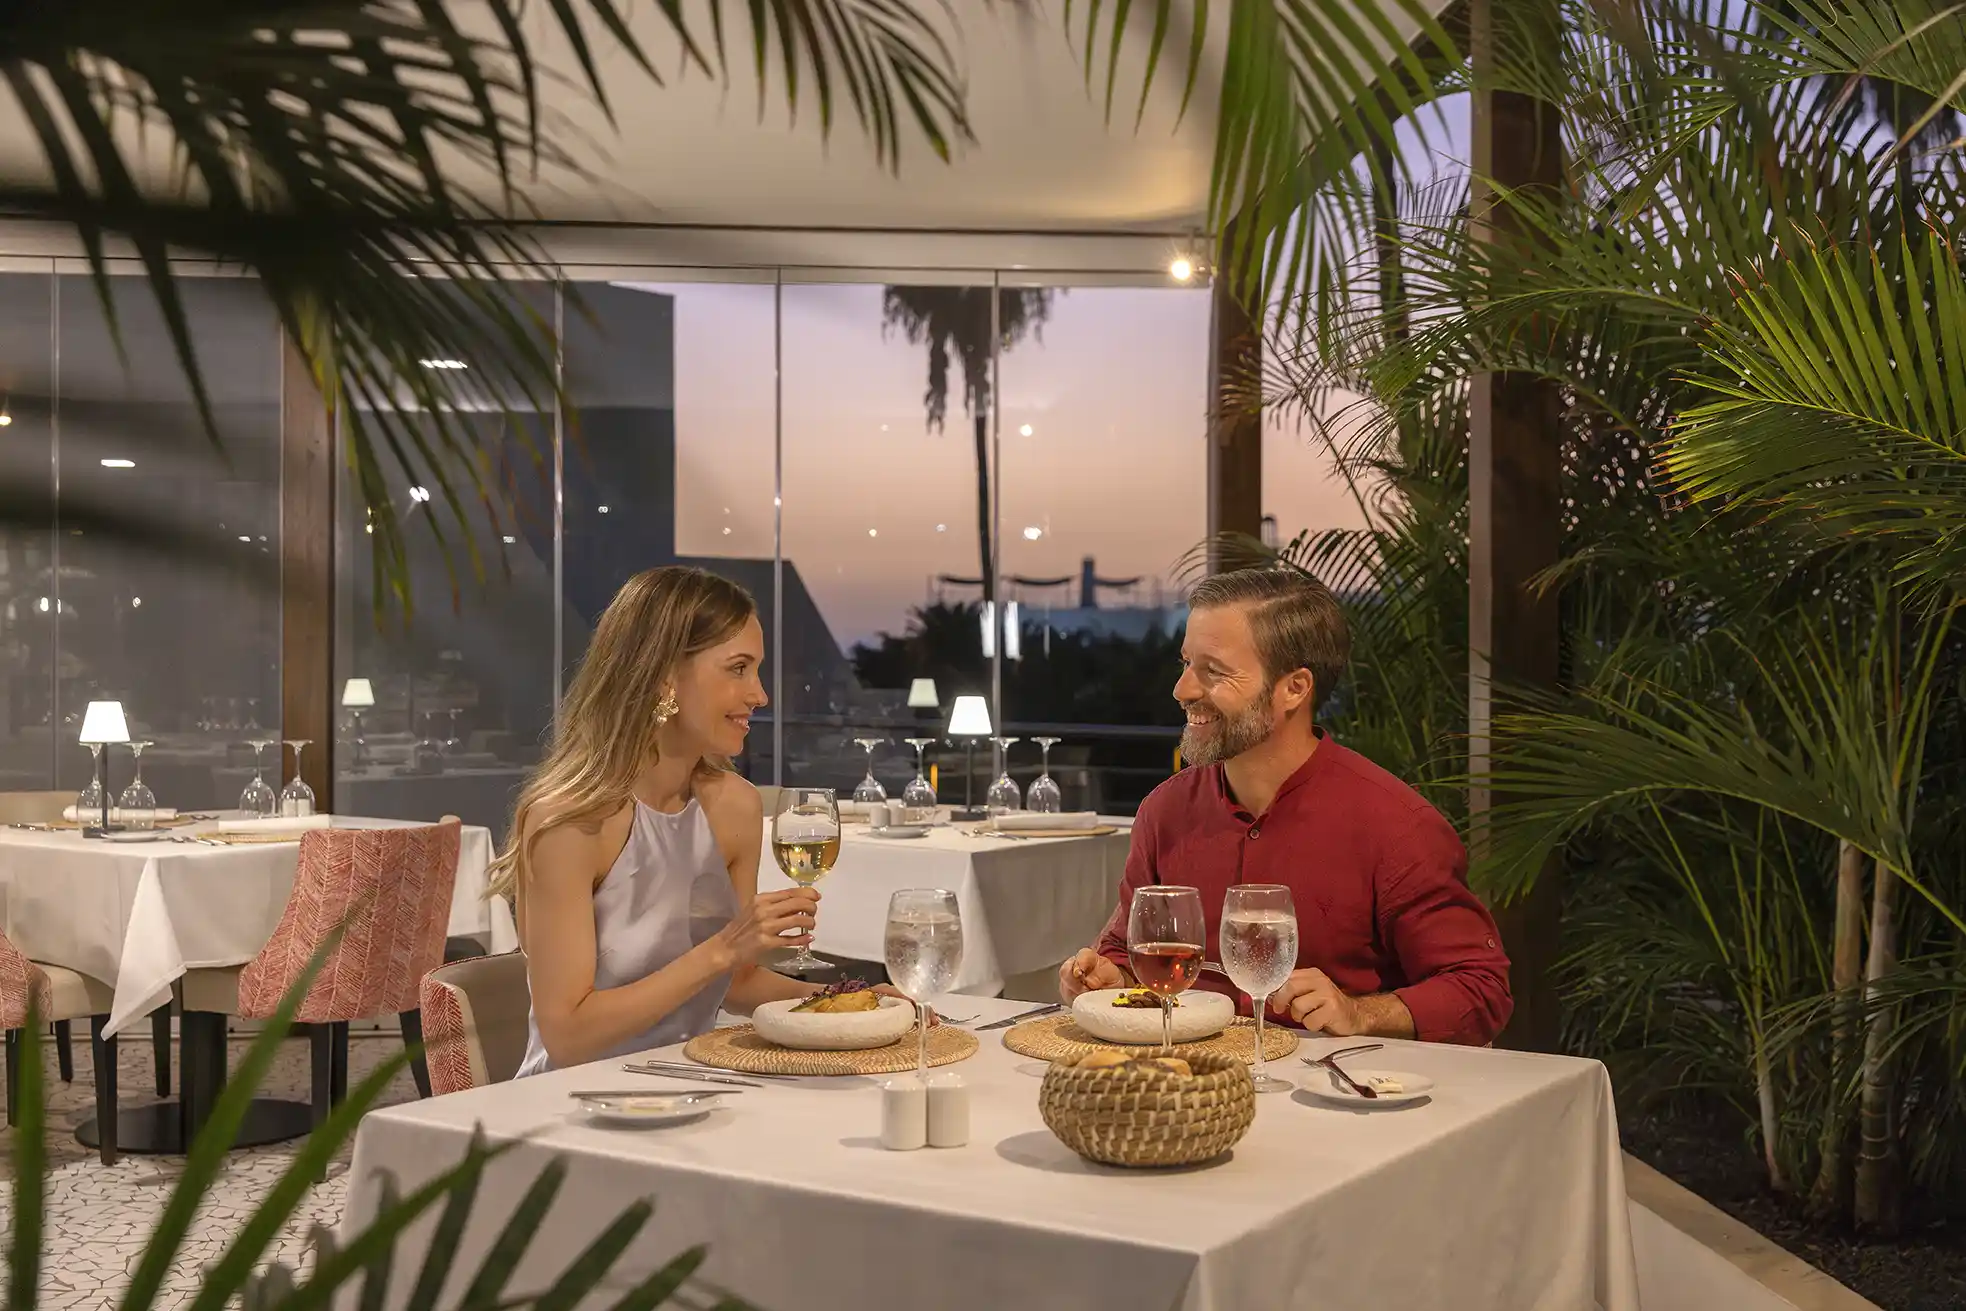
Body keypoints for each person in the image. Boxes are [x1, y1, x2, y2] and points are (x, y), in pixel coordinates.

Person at [1058, 567, 1512, 1045]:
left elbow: (1480, 990)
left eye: (1213, 671)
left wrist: (1358, 1013)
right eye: (1186, 663)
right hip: (1182, 1095)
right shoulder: (1164, 812)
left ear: (1294, 688)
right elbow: (1125, 957)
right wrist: (1112, 979)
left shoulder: (1397, 826)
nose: (1183, 689)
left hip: (1331, 1101)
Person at [493, 566, 881, 1075]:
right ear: (664, 677)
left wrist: (855, 1000)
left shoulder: (735, 807)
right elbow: (568, 1037)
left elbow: (737, 984)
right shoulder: (567, 823)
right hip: (574, 1107)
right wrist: (723, 949)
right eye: (738, 668)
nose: (759, 695)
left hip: (694, 1081)